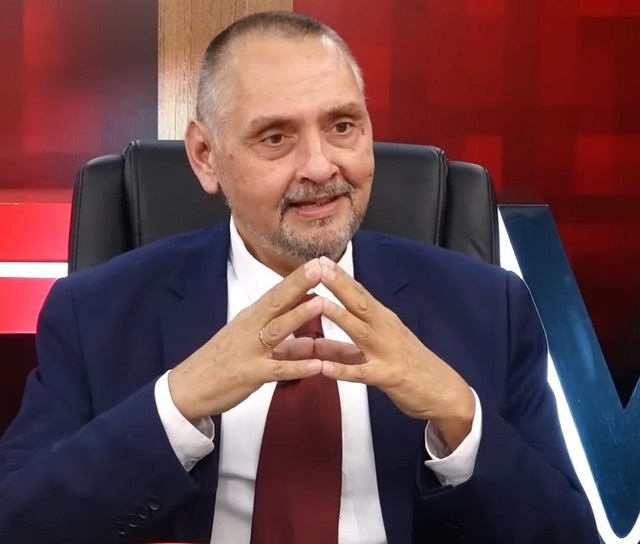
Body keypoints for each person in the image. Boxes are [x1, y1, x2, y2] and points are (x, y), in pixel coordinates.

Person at [0, 10, 599, 544]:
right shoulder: (95, 313)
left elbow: (570, 535)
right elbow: (18, 523)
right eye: (275, 137)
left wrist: (459, 417)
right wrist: (175, 405)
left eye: (342, 127)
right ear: (206, 157)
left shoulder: (491, 308)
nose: (319, 166)